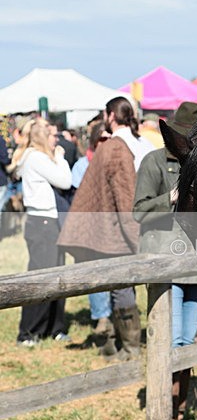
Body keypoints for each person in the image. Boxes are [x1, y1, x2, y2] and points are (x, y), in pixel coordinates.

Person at [133, 102, 197, 420]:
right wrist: (173, 198)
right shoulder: (153, 162)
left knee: (187, 346)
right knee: (171, 344)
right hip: (166, 265)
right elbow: (138, 212)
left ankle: (178, 418)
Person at [58, 97, 151, 360]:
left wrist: (132, 234)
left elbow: (124, 196)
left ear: (110, 115)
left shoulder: (114, 147)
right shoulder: (128, 145)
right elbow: (125, 196)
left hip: (115, 230)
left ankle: (125, 345)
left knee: (118, 288)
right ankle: (122, 344)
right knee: (120, 287)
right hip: (121, 230)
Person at [10, 118, 72, 346]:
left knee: (57, 276)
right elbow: (65, 181)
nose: (56, 139)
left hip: (47, 221)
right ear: (42, 137)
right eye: (52, 135)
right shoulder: (35, 157)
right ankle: (27, 332)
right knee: (40, 278)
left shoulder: (34, 157)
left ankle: (53, 328)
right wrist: (60, 158)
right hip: (42, 222)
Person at [70, 120, 113, 339]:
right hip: (91, 227)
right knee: (96, 272)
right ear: (95, 141)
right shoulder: (81, 165)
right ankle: (101, 317)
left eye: (109, 139)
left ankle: (115, 317)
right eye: (102, 139)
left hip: (112, 227)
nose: (106, 143)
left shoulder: (117, 162)